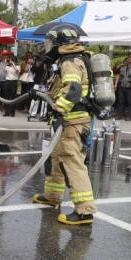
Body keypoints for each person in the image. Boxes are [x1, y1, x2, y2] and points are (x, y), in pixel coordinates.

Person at [32, 24, 97, 225]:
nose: (48, 47)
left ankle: (85, 212)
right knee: (56, 157)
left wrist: (59, 110)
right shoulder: (75, 60)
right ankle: (52, 196)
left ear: (61, 43)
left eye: (50, 43)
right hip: (70, 120)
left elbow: (74, 90)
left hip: (73, 121)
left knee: (71, 161)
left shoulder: (70, 62)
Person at [29, 52, 50, 121]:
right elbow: (32, 70)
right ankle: (32, 113)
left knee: (45, 100)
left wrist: (46, 65)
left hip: (46, 82)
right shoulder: (39, 61)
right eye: (42, 55)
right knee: (35, 98)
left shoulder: (50, 61)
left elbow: (49, 71)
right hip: (38, 82)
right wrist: (36, 66)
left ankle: (43, 114)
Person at [115, 54, 131, 120]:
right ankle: (119, 115)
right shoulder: (122, 67)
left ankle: (129, 116)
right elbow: (118, 76)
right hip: (121, 87)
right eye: (129, 57)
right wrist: (115, 85)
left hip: (129, 87)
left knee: (130, 102)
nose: (129, 58)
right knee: (120, 101)